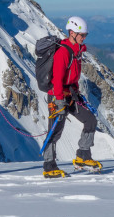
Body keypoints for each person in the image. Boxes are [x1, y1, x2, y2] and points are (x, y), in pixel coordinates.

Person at [43, 16, 102, 178]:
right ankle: (49, 166)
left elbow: (72, 77)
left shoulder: (77, 52)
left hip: (71, 95)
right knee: (55, 131)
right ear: (71, 33)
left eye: (85, 35)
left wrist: (76, 93)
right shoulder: (63, 51)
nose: (83, 38)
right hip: (57, 96)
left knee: (90, 120)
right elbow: (57, 78)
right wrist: (59, 98)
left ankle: (83, 155)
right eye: (81, 35)